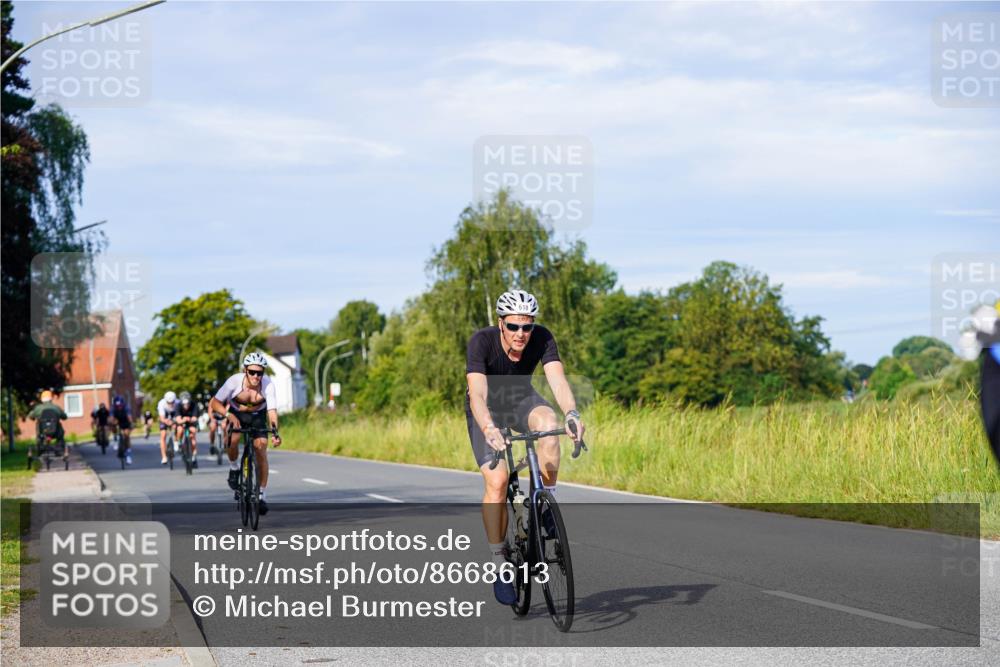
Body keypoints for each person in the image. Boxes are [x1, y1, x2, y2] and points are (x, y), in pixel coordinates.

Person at [465, 290, 585, 605]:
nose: (522, 334)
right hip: (486, 410)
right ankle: (500, 563)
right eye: (514, 326)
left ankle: (545, 505)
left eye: (527, 327)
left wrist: (572, 415)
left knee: (549, 424)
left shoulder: (542, 338)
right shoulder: (482, 341)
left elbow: (558, 381)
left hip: (521, 401)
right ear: (501, 323)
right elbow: (476, 393)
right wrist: (489, 428)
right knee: (498, 480)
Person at [208, 352, 282, 515]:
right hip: (236, 414)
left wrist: (275, 432)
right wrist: (229, 415)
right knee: (233, 439)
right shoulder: (234, 381)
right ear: (245, 370)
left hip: (257, 416)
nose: (256, 376)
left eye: (260, 372)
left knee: (261, 448)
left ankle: (261, 495)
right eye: (252, 372)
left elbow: (271, 411)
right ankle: (234, 468)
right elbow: (215, 402)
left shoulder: (268, 385)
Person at [28, 390, 68, 461]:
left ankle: (40, 448)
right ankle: (58, 449)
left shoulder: (38, 408)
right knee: (60, 430)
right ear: (51, 398)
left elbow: (31, 416)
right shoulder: (56, 408)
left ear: (42, 399)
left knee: (38, 425)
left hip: (42, 432)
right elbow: (64, 417)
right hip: (55, 432)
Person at [175, 391, 201, 467]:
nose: (186, 406)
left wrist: (190, 419)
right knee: (180, 430)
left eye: (187, 404)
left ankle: (193, 455)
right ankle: (179, 442)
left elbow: (195, 417)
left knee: (193, 434)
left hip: (191, 422)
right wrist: (183, 420)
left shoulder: (194, 405)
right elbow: (178, 419)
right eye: (184, 404)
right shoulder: (178, 406)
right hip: (182, 422)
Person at [110, 394, 133, 465]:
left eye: (120, 406)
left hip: (125, 421)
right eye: (117, 406)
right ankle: (115, 439)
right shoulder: (113, 408)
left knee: (126, 436)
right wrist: (112, 423)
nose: (119, 407)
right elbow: (111, 418)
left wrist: (131, 424)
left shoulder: (126, 408)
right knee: (113, 425)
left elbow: (129, 418)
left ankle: (128, 456)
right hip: (118, 420)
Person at [157, 391, 179, 465]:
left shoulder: (178, 403)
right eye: (168, 402)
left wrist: (175, 422)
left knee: (177, 427)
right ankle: (164, 457)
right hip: (165, 417)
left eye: (172, 402)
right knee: (163, 435)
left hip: (174, 415)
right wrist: (167, 422)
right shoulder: (161, 403)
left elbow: (179, 415)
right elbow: (162, 418)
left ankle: (176, 441)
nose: (170, 404)